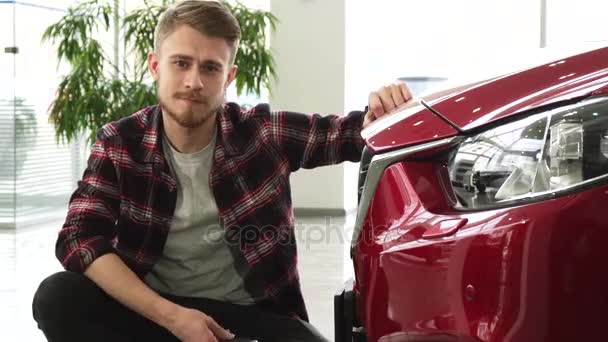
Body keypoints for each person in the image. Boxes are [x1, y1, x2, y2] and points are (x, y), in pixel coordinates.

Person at [31, 1, 412, 341]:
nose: (193, 82)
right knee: (58, 297)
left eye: (210, 68)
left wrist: (388, 110)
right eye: (181, 63)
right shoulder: (119, 142)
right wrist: (175, 319)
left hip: (247, 320)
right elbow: (79, 238)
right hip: (159, 314)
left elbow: (352, 133)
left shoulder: (262, 133)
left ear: (228, 78)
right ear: (155, 66)